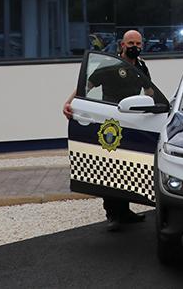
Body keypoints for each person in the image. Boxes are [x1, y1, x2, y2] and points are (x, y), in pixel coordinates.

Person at [62, 30, 164, 232]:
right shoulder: (110, 65)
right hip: (111, 122)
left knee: (128, 166)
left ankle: (125, 212)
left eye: (138, 43)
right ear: (122, 45)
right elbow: (87, 85)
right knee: (111, 168)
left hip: (133, 122)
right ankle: (113, 214)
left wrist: (158, 107)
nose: (134, 46)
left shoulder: (142, 66)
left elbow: (149, 91)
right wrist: (70, 102)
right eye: (130, 43)